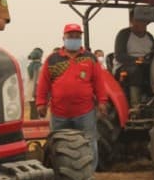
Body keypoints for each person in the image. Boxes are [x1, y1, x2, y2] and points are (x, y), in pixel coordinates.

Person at [36, 24, 108, 171]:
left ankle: (89, 173)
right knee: (58, 144)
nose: (74, 39)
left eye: (77, 37)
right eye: (71, 37)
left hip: (85, 112)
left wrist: (102, 101)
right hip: (59, 113)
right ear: (64, 38)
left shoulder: (90, 58)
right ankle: (59, 173)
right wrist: (40, 103)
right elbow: (43, 83)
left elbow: (99, 82)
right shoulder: (53, 59)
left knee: (89, 142)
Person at [114, 9, 154, 106]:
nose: (142, 23)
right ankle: (135, 103)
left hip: (145, 64)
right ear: (131, 20)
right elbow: (119, 56)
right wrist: (136, 60)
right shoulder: (124, 34)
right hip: (126, 66)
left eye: (143, 21)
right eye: (138, 20)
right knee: (136, 70)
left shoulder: (149, 36)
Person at [25, 47, 44, 120]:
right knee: (36, 111)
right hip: (36, 91)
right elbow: (36, 80)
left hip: (29, 91)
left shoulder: (29, 66)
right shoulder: (39, 66)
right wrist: (35, 92)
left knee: (33, 110)